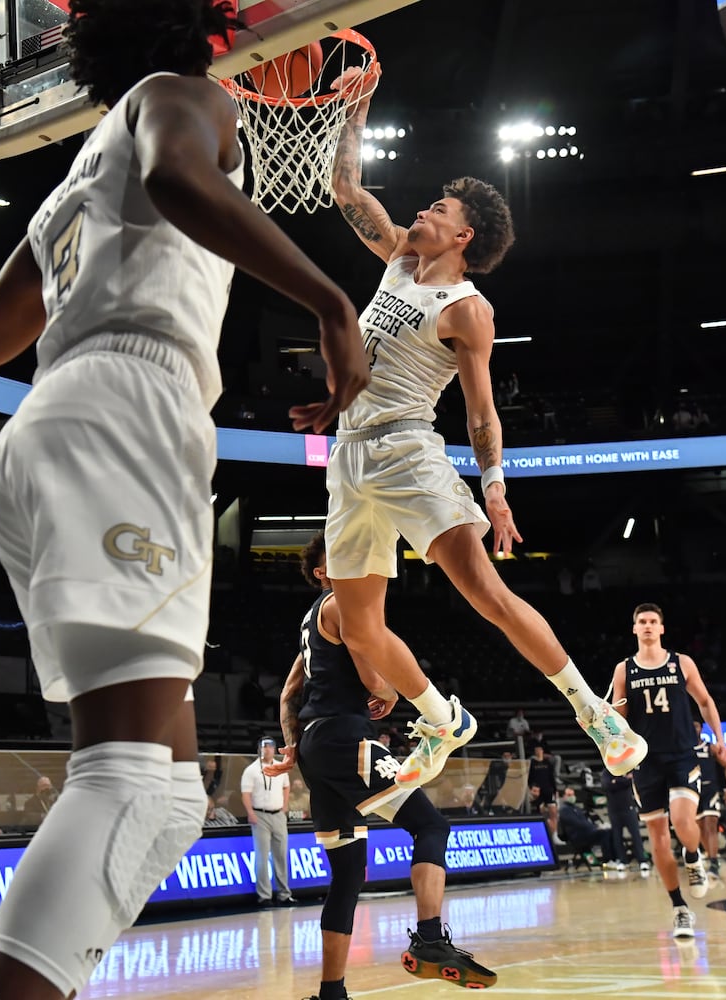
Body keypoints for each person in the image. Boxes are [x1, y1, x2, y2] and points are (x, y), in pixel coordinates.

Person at [0, 2, 367, 997]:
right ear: (208, 32)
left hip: (47, 433)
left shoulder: (69, 192)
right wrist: (330, 303)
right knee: (126, 779)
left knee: (158, 796)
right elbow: (178, 177)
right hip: (124, 417)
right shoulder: (176, 97)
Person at [321, 65, 646, 791]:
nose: (424, 210)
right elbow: (346, 191)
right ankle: (440, 717)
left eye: (439, 206)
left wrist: (495, 486)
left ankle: (594, 711)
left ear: (464, 233)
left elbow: (480, 410)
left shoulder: (469, 309)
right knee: (355, 624)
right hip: (349, 456)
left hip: (408, 449)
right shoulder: (401, 258)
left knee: (484, 592)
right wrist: (359, 108)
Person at [271, 533, 495, 999]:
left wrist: (293, 746)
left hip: (317, 748)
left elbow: (289, 692)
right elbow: (375, 679)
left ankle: (331, 993)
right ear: (322, 573)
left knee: (349, 874)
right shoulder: (340, 605)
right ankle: (430, 939)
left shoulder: (310, 621)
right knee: (431, 827)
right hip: (344, 739)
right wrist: (391, 693)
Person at [608, 603, 726, 939]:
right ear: (635, 629)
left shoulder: (681, 663)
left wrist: (720, 739)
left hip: (682, 753)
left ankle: (693, 856)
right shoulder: (624, 670)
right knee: (659, 840)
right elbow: (618, 716)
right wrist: (605, 725)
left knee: (682, 820)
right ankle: (679, 908)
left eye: (652, 621)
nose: (647, 626)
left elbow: (705, 701)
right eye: (642, 622)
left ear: (662, 628)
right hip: (645, 761)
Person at [241, 738, 293, 906]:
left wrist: (285, 806)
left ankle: (284, 894)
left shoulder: (281, 768)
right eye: (264, 746)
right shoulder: (251, 770)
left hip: (278, 814)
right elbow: (246, 793)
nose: (267, 749)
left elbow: (286, 786)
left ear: (275, 749)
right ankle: (264, 895)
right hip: (260, 815)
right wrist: (250, 812)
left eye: (270, 746)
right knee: (262, 857)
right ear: (259, 749)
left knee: (281, 855)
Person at [693, 720, 726, 877]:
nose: (694, 729)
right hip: (694, 790)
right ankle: (710, 855)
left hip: (710, 789)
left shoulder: (710, 747)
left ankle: (714, 862)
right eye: (691, 726)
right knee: (700, 828)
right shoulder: (684, 749)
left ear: (701, 728)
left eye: (697, 726)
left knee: (711, 825)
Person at [602, 770, 648, 872]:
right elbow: (607, 785)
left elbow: (630, 781)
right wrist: (623, 780)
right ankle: (622, 861)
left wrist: (616, 781)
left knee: (636, 835)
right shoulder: (606, 772)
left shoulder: (626, 768)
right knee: (617, 837)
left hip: (628, 808)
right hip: (614, 810)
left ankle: (642, 860)